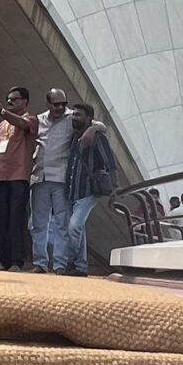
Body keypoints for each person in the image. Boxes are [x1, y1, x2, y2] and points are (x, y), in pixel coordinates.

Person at [27, 87, 77, 272]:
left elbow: (98, 124)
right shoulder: (39, 120)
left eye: (63, 104)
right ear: (48, 104)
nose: (60, 108)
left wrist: (92, 129)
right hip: (40, 175)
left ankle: (60, 264)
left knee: (61, 224)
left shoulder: (72, 117)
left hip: (61, 177)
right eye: (56, 104)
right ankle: (40, 263)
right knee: (38, 223)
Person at [65, 104, 119, 273]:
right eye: (74, 114)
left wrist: (115, 187)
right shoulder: (74, 136)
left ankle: (71, 261)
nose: (74, 118)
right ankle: (81, 267)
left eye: (78, 115)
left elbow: (110, 163)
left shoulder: (98, 137)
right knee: (78, 229)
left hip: (88, 191)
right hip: (71, 190)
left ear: (89, 118)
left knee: (74, 227)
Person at [0, 87, 38, 270]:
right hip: (1, 178)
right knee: (1, 220)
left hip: (19, 177)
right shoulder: (2, 125)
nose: (9, 102)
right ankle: (4, 261)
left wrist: (2, 111)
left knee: (16, 219)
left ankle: (17, 261)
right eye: (8, 99)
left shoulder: (30, 119)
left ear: (24, 101)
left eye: (13, 100)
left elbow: (24, 126)